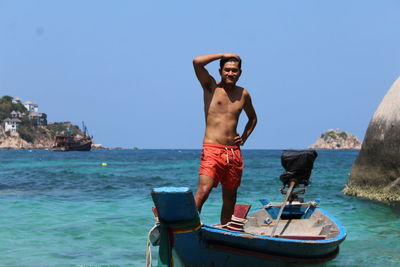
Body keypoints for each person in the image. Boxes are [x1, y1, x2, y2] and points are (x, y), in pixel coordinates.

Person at [192, 53, 257, 225]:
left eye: (234, 71)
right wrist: (223, 54)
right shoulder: (211, 87)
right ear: (220, 71)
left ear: (240, 73)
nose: (230, 73)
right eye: (227, 70)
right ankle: (188, 225)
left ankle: (225, 230)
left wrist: (243, 138)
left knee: (230, 199)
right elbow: (197, 62)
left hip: (233, 153)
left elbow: (253, 118)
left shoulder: (243, 94)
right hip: (212, 149)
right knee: (204, 190)